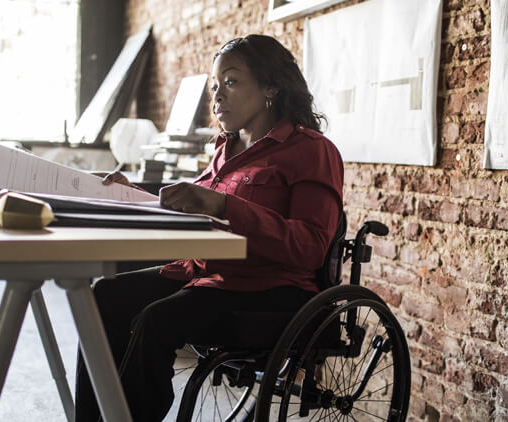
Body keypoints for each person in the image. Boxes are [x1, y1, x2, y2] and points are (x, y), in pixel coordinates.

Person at [75, 34, 344, 422]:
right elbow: (188, 206)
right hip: (206, 274)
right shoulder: (225, 150)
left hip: (270, 290)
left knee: (157, 319)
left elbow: (310, 247)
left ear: (271, 85)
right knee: (105, 295)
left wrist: (224, 205)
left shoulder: (312, 150)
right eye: (215, 86)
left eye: (231, 82)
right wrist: (130, 193)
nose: (217, 96)